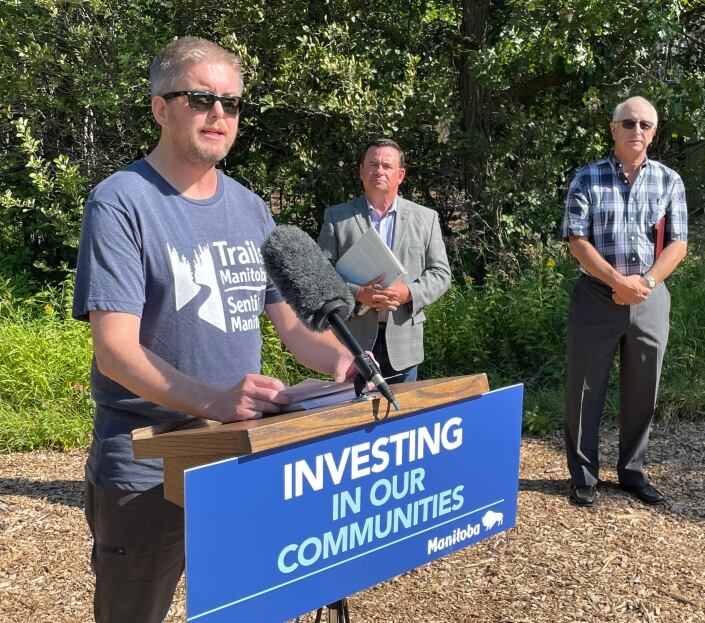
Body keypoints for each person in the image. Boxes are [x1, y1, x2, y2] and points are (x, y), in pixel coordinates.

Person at [72, 37, 357, 623]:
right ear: (160, 107)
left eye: (231, 104)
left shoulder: (252, 208)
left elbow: (295, 328)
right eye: (201, 99)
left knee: (246, 608)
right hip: (145, 463)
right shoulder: (121, 202)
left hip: (241, 454)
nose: (219, 115)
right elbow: (115, 351)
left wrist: (344, 362)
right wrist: (218, 401)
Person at [560, 96, 688, 507]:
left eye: (645, 124)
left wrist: (644, 283)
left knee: (643, 389)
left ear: (654, 132)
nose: (637, 131)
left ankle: (632, 471)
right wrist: (617, 281)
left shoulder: (669, 180)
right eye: (629, 123)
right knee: (584, 388)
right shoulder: (587, 178)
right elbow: (576, 240)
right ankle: (583, 475)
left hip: (650, 297)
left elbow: (679, 243)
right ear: (613, 129)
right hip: (597, 295)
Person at [317, 138, 451, 383]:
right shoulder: (337, 217)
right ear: (361, 171)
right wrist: (358, 293)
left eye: (386, 166)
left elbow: (441, 274)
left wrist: (408, 292)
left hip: (404, 342)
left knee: (404, 418)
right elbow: (321, 274)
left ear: (400, 175)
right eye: (372, 164)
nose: (379, 171)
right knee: (354, 416)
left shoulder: (426, 218)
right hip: (352, 341)